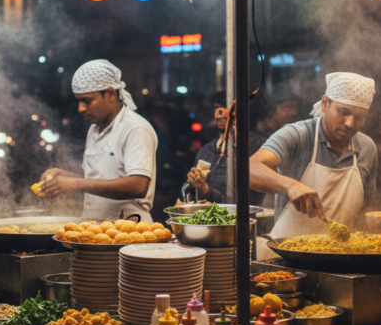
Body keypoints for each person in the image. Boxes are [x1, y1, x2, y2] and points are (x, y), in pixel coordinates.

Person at [249, 72, 378, 237]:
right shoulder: (297, 135)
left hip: (345, 254)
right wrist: (291, 186)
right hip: (289, 252)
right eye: (343, 112)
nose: (349, 123)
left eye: (359, 117)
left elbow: (368, 207)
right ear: (325, 104)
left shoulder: (367, 148)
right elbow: (251, 168)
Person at [40, 60, 158, 222]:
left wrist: (76, 184)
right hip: (93, 226)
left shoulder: (135, 128)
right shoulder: (94, 129)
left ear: (110, 94)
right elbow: (97, 177)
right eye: (78, 101)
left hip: (130, 228)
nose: (80, 108)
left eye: (87, 100)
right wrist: (66, 177)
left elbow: (138, 185)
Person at [184, 93, 265, 205]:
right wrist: (192, 190)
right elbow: (195, 196)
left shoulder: (256, 147)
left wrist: (206, 191)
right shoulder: (206, 151)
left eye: (225, 108)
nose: (218, 115)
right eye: (216, 109)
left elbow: (251, 202)